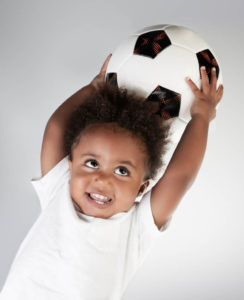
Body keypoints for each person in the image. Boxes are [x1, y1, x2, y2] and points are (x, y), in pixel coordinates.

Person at [0, 54, 223, 300]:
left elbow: (179, 176)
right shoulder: (59, 189)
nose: (103, 179)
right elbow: (55, 129)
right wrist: (92, 88)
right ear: (71, 165)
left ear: (141, 188)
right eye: (92, 163)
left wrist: (201, 118)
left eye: (122, 171)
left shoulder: (136, 227)